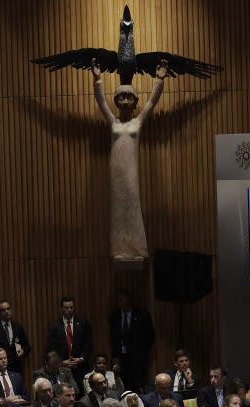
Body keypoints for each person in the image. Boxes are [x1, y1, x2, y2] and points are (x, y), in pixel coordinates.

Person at [91, 59, 166, 261]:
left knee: (133, 205)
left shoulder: (138, 122)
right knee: (118, 209)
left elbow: (151, 103)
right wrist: (97, 80)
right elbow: (101, 103)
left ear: (135, 100)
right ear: (116, 100)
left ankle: (137, 249)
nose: (125, 101)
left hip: (131, 173)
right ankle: (119, 251)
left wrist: (159, 81)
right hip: (115, 173)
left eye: (129, 97)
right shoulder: (113, 122)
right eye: (121, 97)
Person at [108, 290, 154, 394]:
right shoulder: (114, 317)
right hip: (121, 359)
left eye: (125, 299)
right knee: (123, 386)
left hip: (138, 359)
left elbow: (150, 336)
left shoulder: (142, 315)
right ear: (117, 302)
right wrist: (115, 359)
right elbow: (113, 339)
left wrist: (142, 351)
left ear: (130, 300)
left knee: (138, 386)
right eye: (121, 300)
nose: (123, 302)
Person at [45, 296, 94, 389]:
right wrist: (61, 362)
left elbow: (89, 343)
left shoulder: (83, 323)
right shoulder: (54, 326)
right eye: (66, 307)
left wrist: (82, 358)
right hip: (61, 369)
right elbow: (50, 347)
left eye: (71, 307)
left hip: (81, 367)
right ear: (61, 308)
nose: (69, 310)